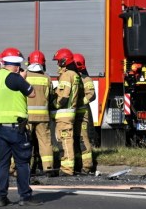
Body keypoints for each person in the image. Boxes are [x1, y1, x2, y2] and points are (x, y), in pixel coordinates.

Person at [0, 47, 41, 207]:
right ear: (17, 66)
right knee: (22, 162)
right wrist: (23, 78)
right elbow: (32, 93)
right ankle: (25, 196)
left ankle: (1, 197)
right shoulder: (15, 78)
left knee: (3, 162)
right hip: (15, 127)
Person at [52, 48, 82, 176]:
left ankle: (67, 169)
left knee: (65, 140)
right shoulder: (75, 75)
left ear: (64, 61)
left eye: (59, 61)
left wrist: (54, 104)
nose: (58, 64)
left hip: (64, 113)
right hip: (70, 113)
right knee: (67, 139)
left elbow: (63, 96)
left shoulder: (66, 75)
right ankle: (67, 167)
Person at [25, 50, 55, 175]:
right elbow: (51, 96)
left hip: (26, 116)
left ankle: (23, 168)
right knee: (45, 142)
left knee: (24, 143)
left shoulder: (24, 76)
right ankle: (48, 168)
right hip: (43, 117)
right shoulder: (47, 78)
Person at [73, 53, 96, 174]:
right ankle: (77, 164)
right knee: (74, 139)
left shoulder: (86, 79)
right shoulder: (73, 77)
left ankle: (87, 166)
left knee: (83, 139)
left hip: (82, 115)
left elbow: (92, 95)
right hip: (73, 114)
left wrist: (79, 102)